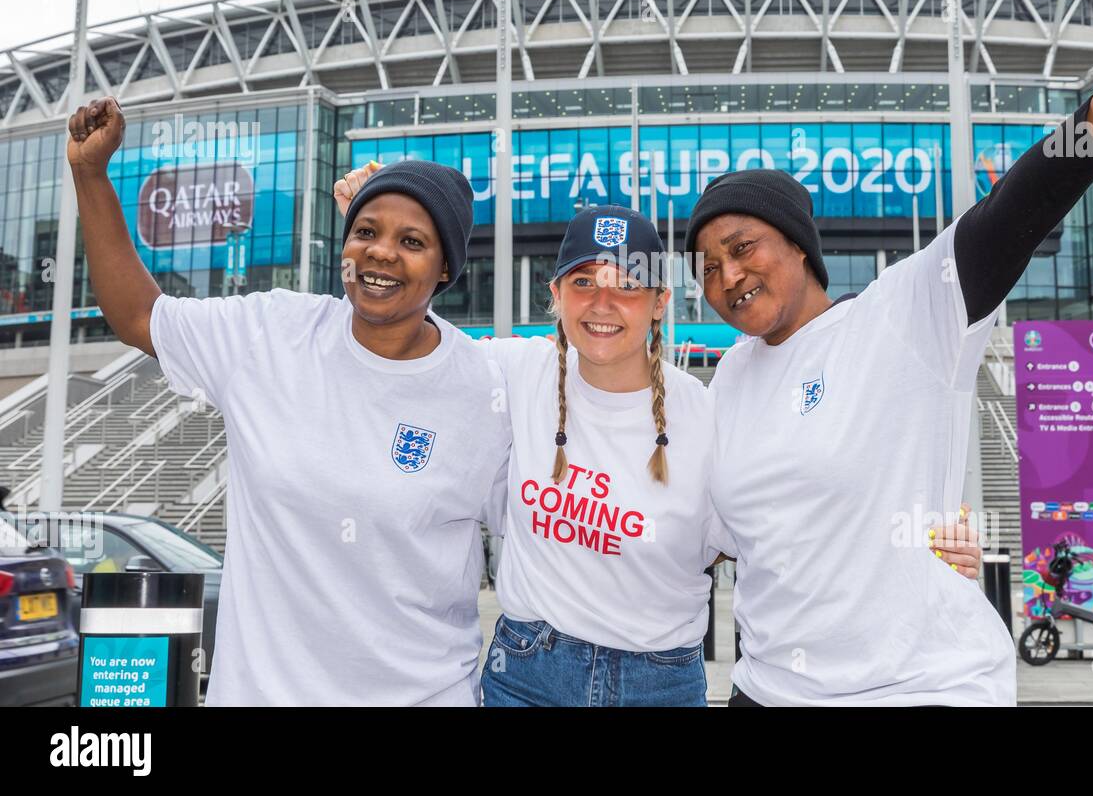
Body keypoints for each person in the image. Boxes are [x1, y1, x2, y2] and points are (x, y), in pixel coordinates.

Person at [686, 0, 1093, 706]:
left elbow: (1016, 210)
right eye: (706, 267)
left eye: (742, 248)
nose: (727, 276)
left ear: (798, 247)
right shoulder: (729, 376)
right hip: (767, 691)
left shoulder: (901, 316)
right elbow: (732, 535)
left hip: (915, 688)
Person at [331, 179, 985, 705]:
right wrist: (384, 225)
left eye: (627, 284)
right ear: (554, 295)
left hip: (659, 682)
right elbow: (404, 342)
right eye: (583, 282)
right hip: (527, 671)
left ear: (660, 301)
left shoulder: (713, 414)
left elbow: (793, 526)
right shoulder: (509, 372)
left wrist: (925, 552)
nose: (603, 303)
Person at [66, 97, 511, 706]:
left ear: (444, 271)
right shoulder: (270, 333)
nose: (381, 252)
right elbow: (138, 314)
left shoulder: (484, 386)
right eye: (365, 232)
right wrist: (90, 175)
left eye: (412, 240)